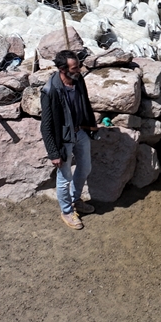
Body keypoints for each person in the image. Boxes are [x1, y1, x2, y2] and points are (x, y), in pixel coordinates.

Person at [40, 50, 99, 230]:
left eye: (78, 66)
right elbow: (46, 125)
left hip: (80, 131)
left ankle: (75, 200)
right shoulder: (50, 91)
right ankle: (66, 211)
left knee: (86, 167)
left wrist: (92, 128)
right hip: (63, 139)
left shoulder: (78, 80)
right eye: (75, 68)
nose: (79, 70)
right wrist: (53, 152)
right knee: (65, 176)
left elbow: (86, 104)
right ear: (62, 69)